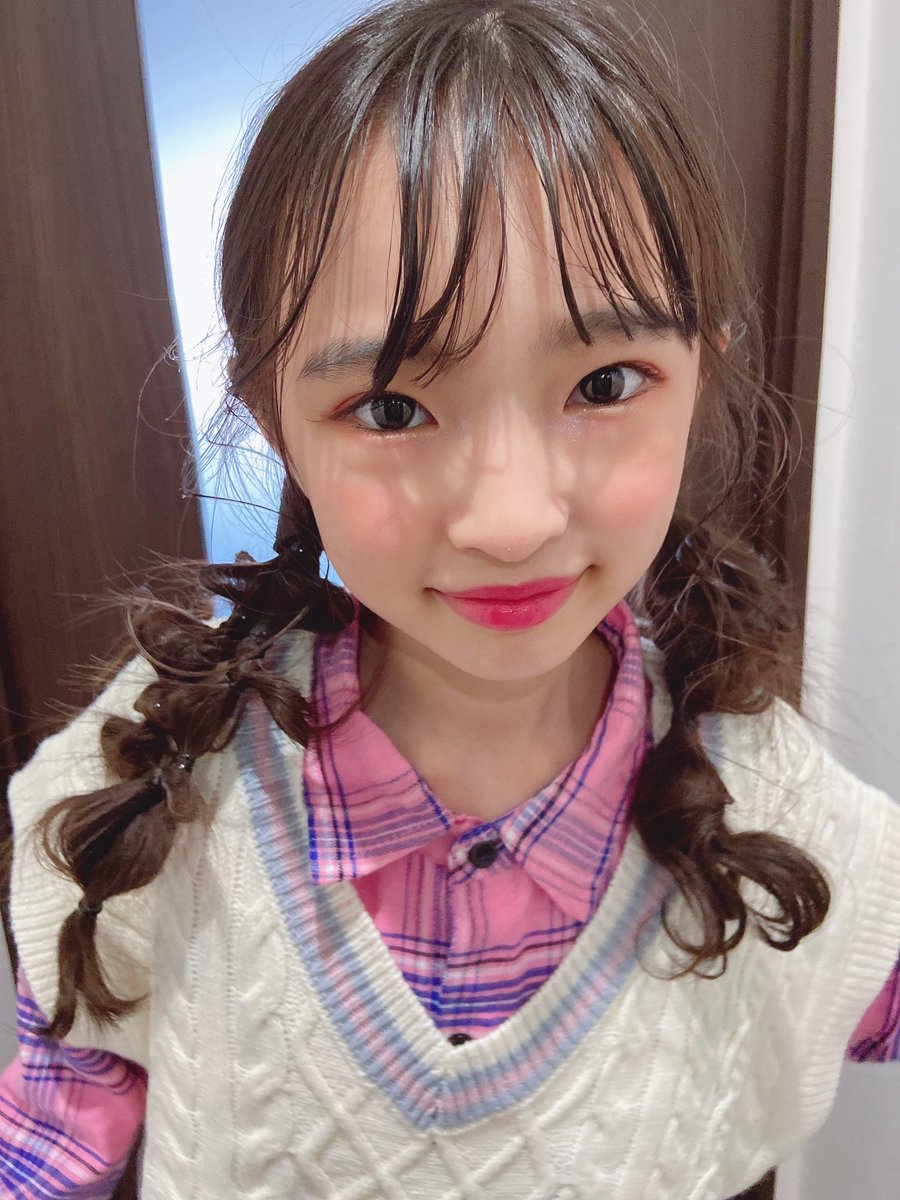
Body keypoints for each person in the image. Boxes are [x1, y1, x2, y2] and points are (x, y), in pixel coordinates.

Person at [2, 0, 899, 1196]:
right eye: (391, 408)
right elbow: (50, 1137)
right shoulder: (148, 796)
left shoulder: (785, 818)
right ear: (275, 423)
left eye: (606, 383)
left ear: (703, 377)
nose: (511, 519)